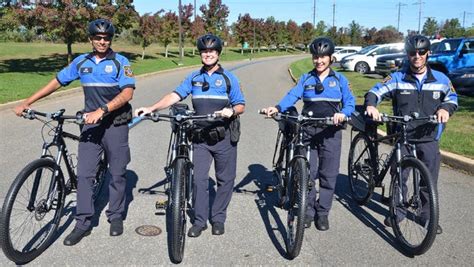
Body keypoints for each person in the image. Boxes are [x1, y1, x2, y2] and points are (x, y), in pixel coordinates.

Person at [14, 19, 135, 245]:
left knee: (118, 173)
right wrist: (27, 102)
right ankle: (83, 223)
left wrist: (103, 109)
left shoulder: (121, 62)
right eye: (98, 38)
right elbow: (57, 82)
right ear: (90, 39)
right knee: (85, 175)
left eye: (106, 38)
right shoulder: (82, 62)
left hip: (115, 123)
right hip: (90, 124)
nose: (102, 41)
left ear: (110, 40)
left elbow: (128, 93)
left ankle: (116, 215)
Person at [134, 34, 245, 237]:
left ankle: (218, 218)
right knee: (199, 180)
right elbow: (175, 95)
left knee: (225, 179)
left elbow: (240, 104)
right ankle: (200, 221)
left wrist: (232, 111)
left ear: (218, 53)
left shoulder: (229, 79)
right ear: (200, 54)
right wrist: (152, 107)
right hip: (200, 136)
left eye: (212, 51)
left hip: (224, 137)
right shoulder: (194, 78)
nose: (208, 54)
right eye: (204, 51)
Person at [365, 35, 458, 234]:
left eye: (421, 52)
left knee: (429, 180)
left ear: (428, 53)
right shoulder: (397, 77)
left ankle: (426, 217)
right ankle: (397, 213)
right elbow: (375, 91)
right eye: (412, 53)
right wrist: (372, 105)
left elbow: (452, 98)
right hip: (404, 136)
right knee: (400, 176)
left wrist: (445, 109)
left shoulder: (441, 79)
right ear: (407, 55)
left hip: (429, 135)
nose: (417, 56)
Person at [262, 37, 355, 231]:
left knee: (328, 175)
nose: (319, 61)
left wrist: (343, 114)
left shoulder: (339, 80)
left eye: (323, 57)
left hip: (331, 131)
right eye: (316, 57)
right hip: (308, 130)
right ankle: (308, 211)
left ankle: (323, 213)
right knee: (308, 174)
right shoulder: (306, 78)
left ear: (331, 58)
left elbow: (350, 103)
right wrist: (277, 107)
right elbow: (293, 95)